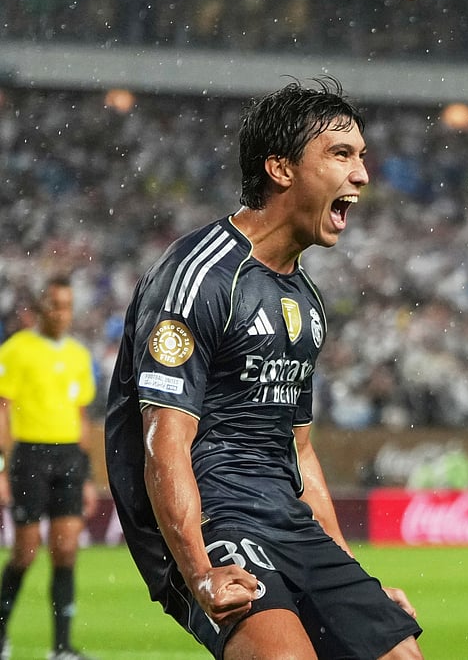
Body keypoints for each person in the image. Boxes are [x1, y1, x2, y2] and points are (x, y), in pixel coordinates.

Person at [104, 78, 423, 660]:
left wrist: (352, 575)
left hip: (286, 519)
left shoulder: (306, 300)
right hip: (214, 520)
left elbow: (299, 451)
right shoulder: (200, 275)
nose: (362, 175)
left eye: (361, 157)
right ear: (280, 168)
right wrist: (198, 572)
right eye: (341, 154)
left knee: (399, 655)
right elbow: (164, 440)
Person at [0, 276, 98, 660]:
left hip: (69, 458)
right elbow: (3, 410)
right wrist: (1, 468)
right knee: (25, 552)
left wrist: (87, 475)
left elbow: (81, 418)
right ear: (41, 307)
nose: (61, 314)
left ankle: (61, 648)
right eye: (55, 305)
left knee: (66, 551)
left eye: (67, 306)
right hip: (29, 456)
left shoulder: (78, 355)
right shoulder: (16, 350)